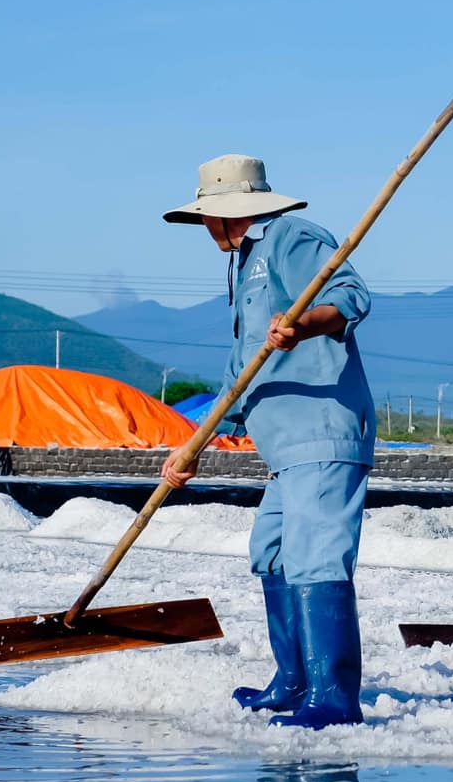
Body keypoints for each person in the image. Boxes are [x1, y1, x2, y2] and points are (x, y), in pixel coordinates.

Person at [159, 154, 374, 728]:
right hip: (283, 451)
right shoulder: (247, 264)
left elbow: (352, 296)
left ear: (223, 213)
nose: (204, 228)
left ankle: (332, 697)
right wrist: (192, 447)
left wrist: (304, 324)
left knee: (315, 555)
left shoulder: (291, 236)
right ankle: (293, 681)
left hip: (322, 432)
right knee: (273, 552)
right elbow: (239, 376)